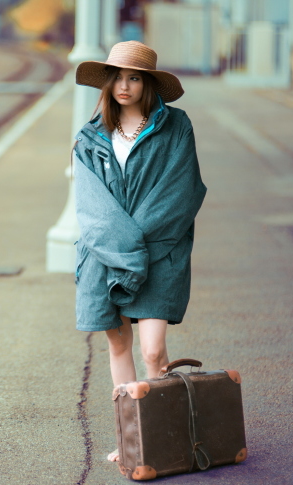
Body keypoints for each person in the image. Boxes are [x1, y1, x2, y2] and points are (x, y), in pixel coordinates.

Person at [72, 41, 207, 462]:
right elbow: (92, 208)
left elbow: (179, 195)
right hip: (103, 258)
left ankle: (162, 434)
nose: (124, 85)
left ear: (148, 83)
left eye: (134, 78)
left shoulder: (176, 127)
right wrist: (122, 250)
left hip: (159, 253)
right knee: (117, 347)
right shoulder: (89, 136)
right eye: (117, 77)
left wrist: (135, 248)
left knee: (153, 350)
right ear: (107, 83)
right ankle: (131, 439)